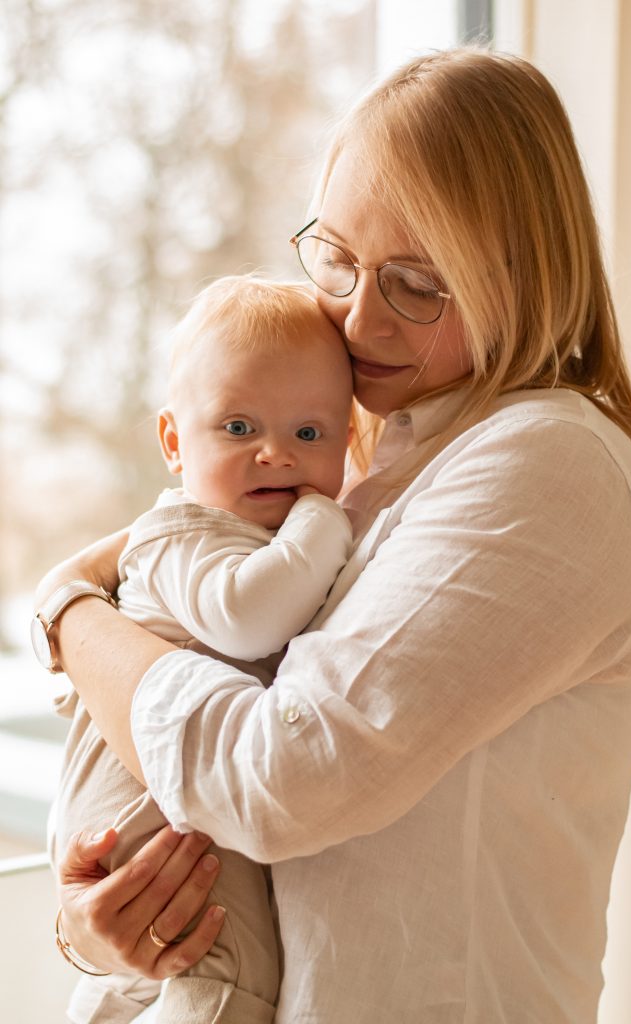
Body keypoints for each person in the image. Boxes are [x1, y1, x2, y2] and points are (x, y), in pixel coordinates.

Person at [34, 48, 631, 1024]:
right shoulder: (364, 457)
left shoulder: (549, 462)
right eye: (335, 257)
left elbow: (274, 780)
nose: (358, 317)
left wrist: (69, 614)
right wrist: (102, 926)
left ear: (525, 274)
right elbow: (169, 590)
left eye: (416, 282)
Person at [49, 276, 354, 1024]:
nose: (275, 454)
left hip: (159, 799)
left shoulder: (248, 533)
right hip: (140, 803)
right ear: (174, 443)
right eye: (239, 427)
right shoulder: (182, 534)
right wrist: (325, 520)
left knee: (146, 980)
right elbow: (249, 619)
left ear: (348, 438)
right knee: (227, 974)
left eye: (309, 434)